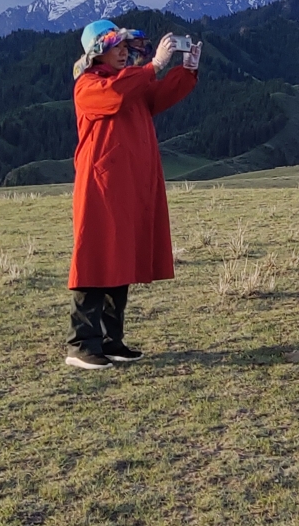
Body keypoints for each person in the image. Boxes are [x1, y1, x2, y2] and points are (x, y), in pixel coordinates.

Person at [65, 20, 200, 369]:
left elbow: (157, 97)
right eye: (117, 45)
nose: (125, 50)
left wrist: (186, 71)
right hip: (101, 186)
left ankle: (111, 341)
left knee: (119, 258)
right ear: (98, 52)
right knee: (95, 259)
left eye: (126, 45)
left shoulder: (127, 83)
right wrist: (153, 66)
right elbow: (118, 94)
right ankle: (81, 344)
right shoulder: (89, 85)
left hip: (126, 185)